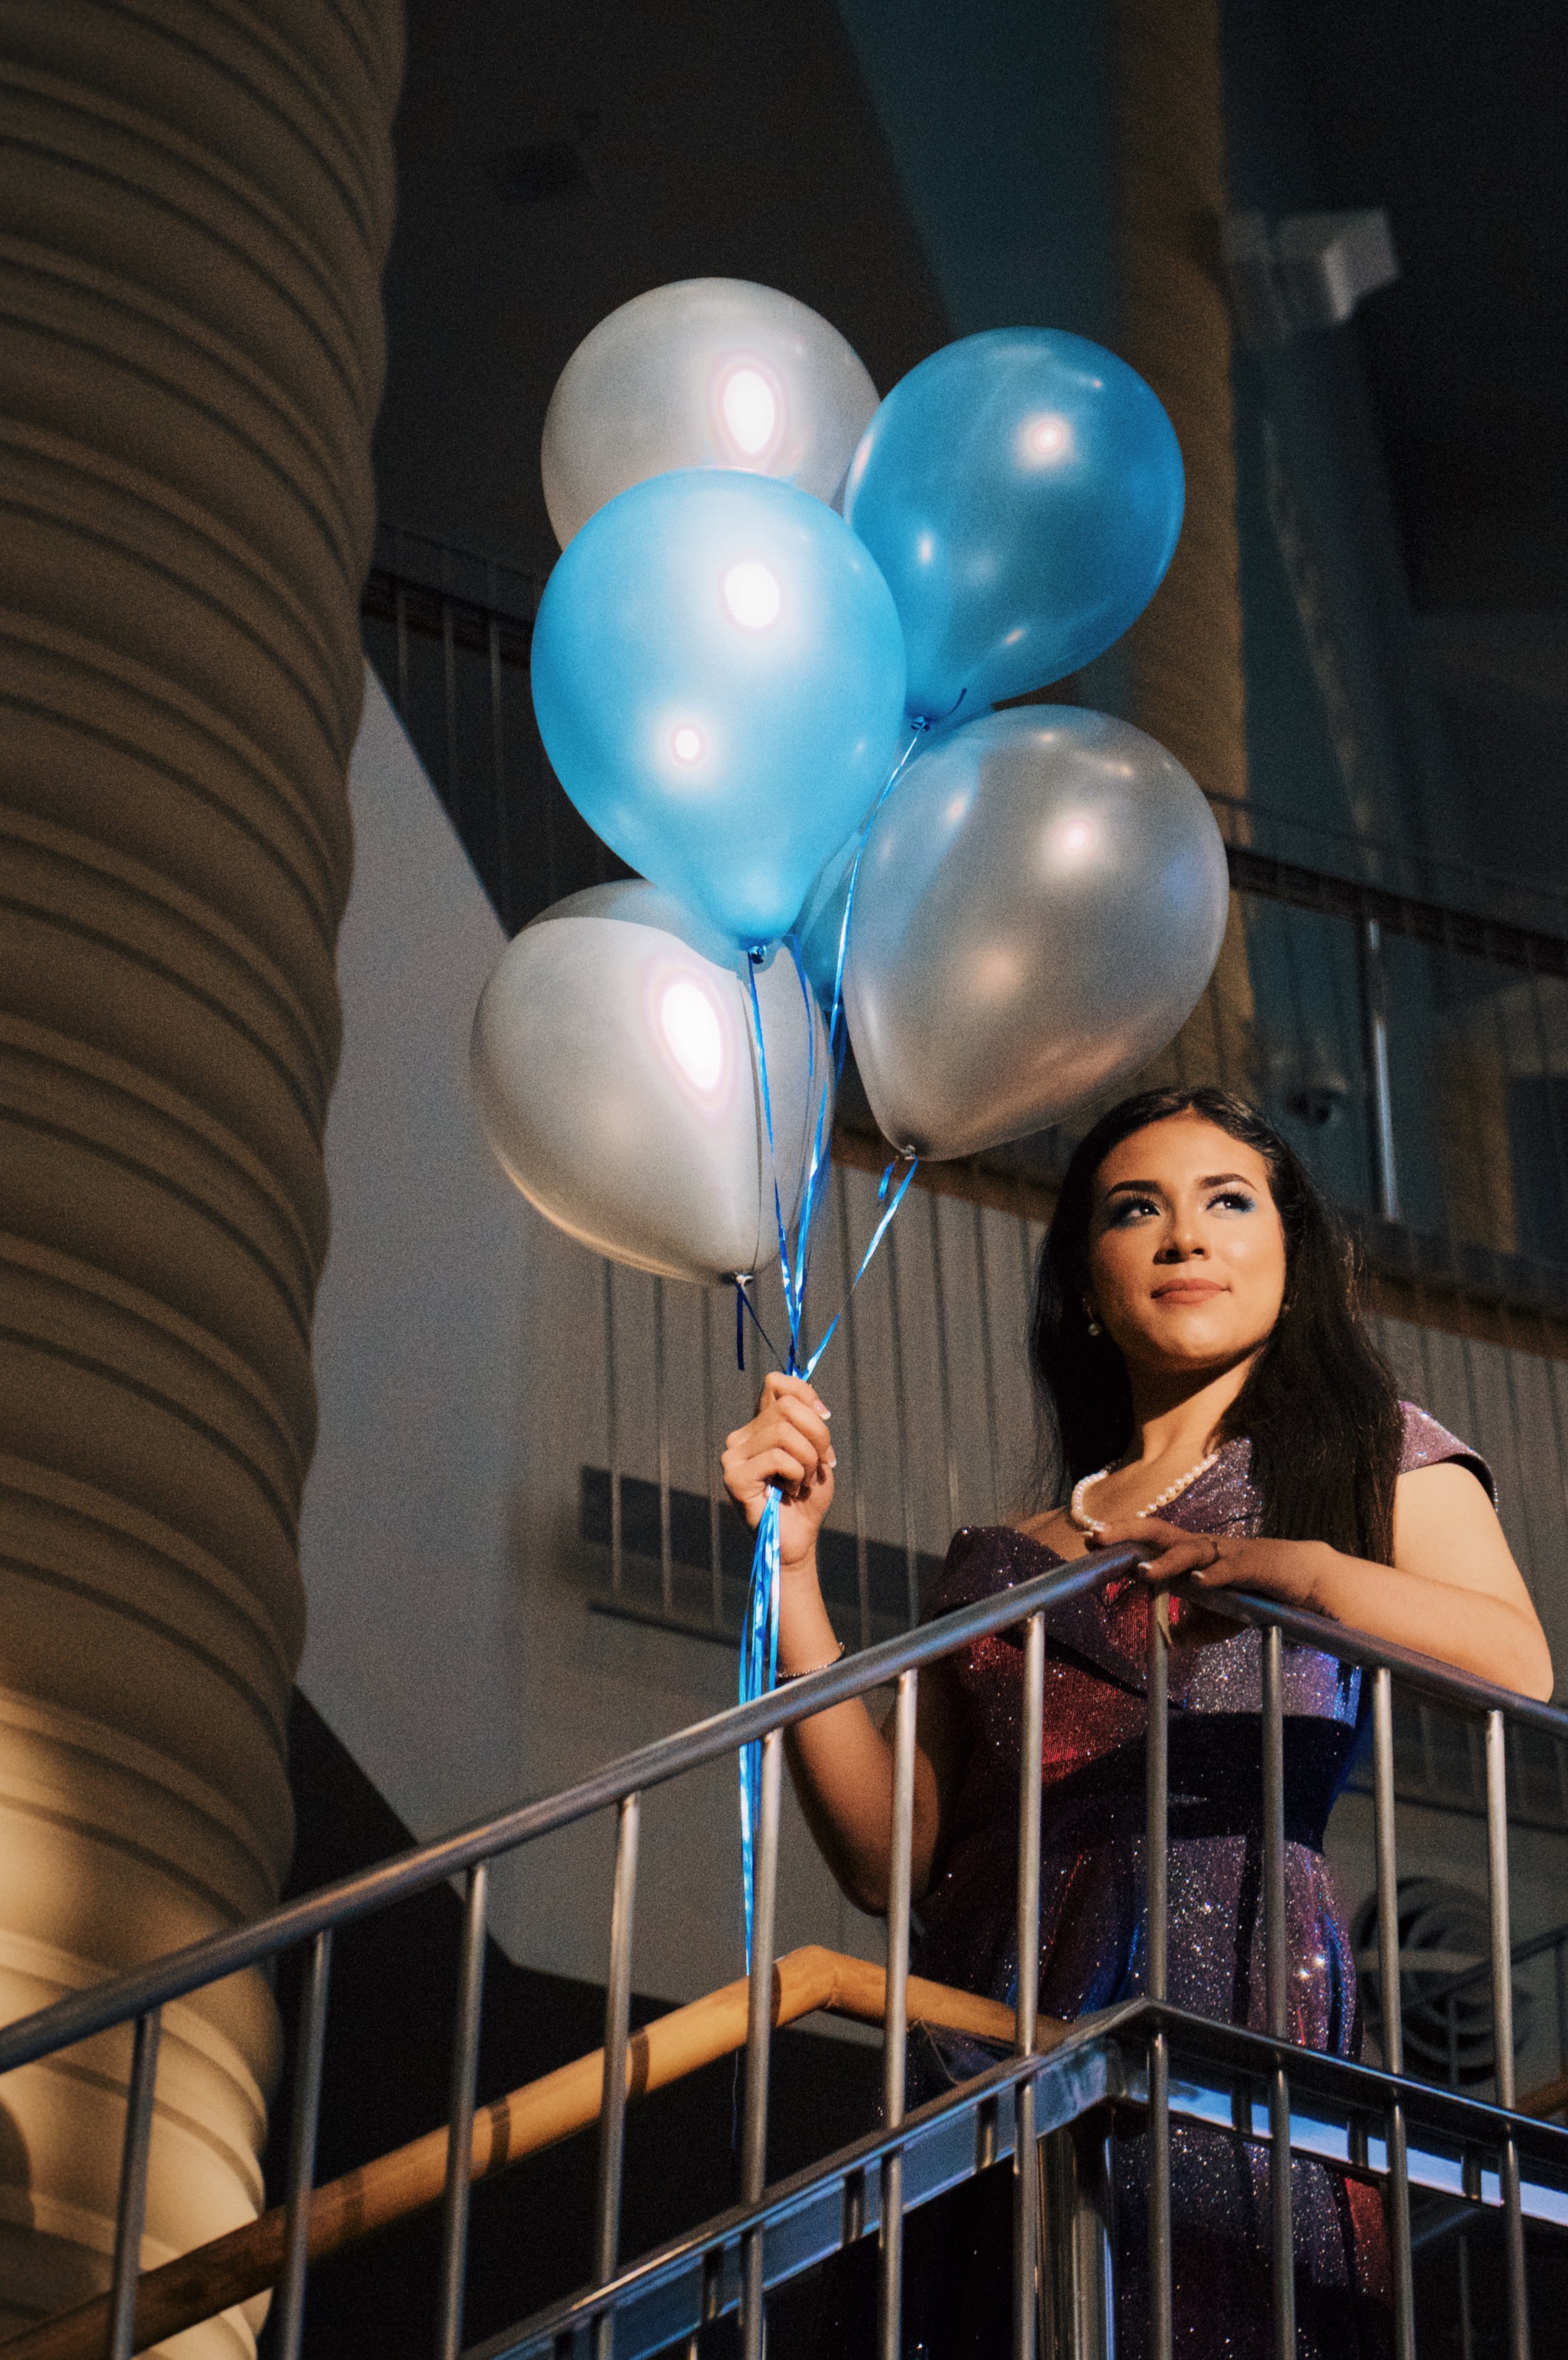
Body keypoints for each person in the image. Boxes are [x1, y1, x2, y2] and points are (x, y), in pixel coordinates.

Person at [721, 1087, 1552, 2358]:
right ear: (1087, 1283)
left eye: (1226, 1201)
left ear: (1289, 1256)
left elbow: (1515, 1663)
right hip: (988, 2007)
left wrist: (1298, 1571)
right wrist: (789, 1578)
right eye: (1134, 1210)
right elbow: (888, 1860)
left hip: (1231, 1994)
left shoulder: (1369, 1456)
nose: (1183, 1236)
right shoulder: (1003, 1562)